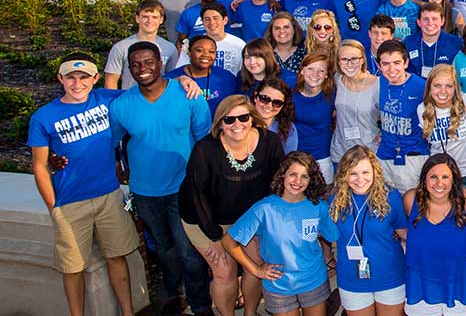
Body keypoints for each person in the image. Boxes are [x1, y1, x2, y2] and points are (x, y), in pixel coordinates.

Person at [28, 54, 140, 316]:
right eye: (71, 77)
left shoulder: (107, 99)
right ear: (61, 79)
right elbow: (39, 165)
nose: (77, 83)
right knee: (73, 267)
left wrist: (182, 79)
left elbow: (146, 92)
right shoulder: (44, 117)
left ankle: (127, 311)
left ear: (95, 79)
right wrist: (53, 206)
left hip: (109, 195)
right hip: (70, 201)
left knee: (117, 256)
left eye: (84, 77)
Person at [108, 41, 213, 315]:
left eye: (148, 62)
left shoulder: (188, 94)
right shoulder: (121, 105)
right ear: (129, 68)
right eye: (136, 64)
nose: (143, 68)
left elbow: (205, 141)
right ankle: (175, 299)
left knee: (189, 252)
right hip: (145, 191)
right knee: (165, 249)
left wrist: (204, 184)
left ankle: (201, 305)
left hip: (184, 189)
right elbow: (111, 142)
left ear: (160, 63)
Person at [181, 94, 285, 316]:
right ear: (220, 124)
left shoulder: (270, 142)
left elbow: (278, 184)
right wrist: (215, 235)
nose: (237, 125)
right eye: (229, 120)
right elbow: (196, 195)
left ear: (253, 118)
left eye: (243, 118)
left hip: (248, 219)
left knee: (255, 264)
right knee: (225, 270)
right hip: (205, 218)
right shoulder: (205, 150)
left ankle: (250, 312)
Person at [222, 151, 337, 316]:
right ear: (283, 175)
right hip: (279, 285)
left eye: (305, 176)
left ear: (311, 179)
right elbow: (229, 242)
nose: (298, 181)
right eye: (293, 174)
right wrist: (256, 270)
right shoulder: (264, 208)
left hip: (314, 281)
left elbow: (334, 235)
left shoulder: (318, 206)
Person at [326, 146, 408, 316]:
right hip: (352, 279)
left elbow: (404, 234)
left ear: (374, 172)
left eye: (365, 172)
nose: (360, 179)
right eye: (353, 173)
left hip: (389, 276)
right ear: (344, 174)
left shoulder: (390, 196)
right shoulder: (335, 199)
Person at [401, 154, 466, 316]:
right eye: (433, 177)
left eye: (445, 177)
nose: (439, 183)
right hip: (420, 286)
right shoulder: (411, 199)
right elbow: (404, 232)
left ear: (454, 180)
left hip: (460, 287)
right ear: (424, 179)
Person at [419, 64, 466, 192]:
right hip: (439, 174)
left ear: (456, 87)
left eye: (449, 86)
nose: (442, 91)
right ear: (429, 87)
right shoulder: (422, 109)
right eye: (437, 86)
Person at [377, 39, 430, 193]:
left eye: (396, 62)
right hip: (385, 155)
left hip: (412, 157)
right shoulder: (379, 83)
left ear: (406, 63)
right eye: (385, 64)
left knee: (410, 203)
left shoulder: (421, 87)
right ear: (379, 66)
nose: (391, 68)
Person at [105, 0, 179, 89]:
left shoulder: (170, 48)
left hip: (159, 100)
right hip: (130, 99)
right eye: (145, 17)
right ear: (137, 18)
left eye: (154, 17)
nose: (149, 21)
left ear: (161, 20)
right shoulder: (121, 47)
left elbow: (173, 78)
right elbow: (111, 81)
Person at [330, 39, 381, 166]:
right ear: (338, 62)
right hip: (340, 153)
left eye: (354, 58)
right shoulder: (336, 81)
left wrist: (384, 134)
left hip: (369, 153)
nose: (349, 64)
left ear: (362, 59)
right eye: (344, 59)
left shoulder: (378, 84)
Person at [292, 52, 336, 182]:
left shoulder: (332, 94)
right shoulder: (290, 89)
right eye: (310, 69)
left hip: (321, 156)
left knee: (322, 197)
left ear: (327, 74)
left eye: (321, 70)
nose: (315, 74)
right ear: (302, 71)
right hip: (294, 154)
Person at [255, 76, 299, 152]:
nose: (269, 105)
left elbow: (288, 161)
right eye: (264, 98)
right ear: (256, 97)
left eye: (277, 102)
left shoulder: (288, 129)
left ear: (283, 106)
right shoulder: (241, 121)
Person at [270, 11, 309, 77]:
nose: (282, 31)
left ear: (294, 29)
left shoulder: (305, 54)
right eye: (277, 28)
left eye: (286, 27)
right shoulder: (266, 54)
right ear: (271, 31)